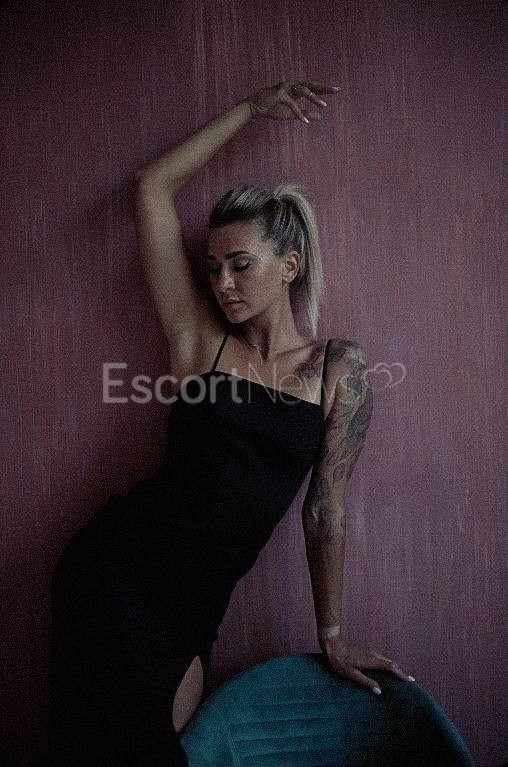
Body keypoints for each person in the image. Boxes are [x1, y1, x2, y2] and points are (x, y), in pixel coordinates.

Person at [48, 79, 415, 766]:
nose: (221, 283)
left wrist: (331, 634)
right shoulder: (200, 341)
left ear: (289, 266)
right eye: (213, 267)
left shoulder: (340, 366)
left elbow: (325, 508)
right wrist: (248, 110)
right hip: (118, 571)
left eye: (241, 266)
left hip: (196, 606)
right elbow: (150, 187)